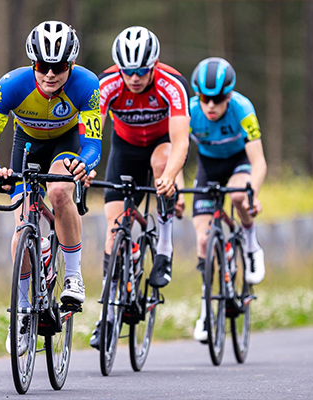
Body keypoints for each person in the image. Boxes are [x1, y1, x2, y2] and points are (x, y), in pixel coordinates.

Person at [0, 21, 102, 355]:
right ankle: (20, 314)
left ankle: (73, 276)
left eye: (58, 67)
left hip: (66, 143)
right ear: (33, 64)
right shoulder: (11, 86)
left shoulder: (87, 84)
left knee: (59, 191)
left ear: (70, 65)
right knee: (21, 227)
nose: (49, 75)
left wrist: (82, 165)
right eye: (42, 67)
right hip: (26, 145)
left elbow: (94, 146)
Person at [88, 26, 191, 349]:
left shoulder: (171, 84)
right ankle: (105, 317)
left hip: (162, 145)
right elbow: (92, 131)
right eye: (127, 71)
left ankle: (164, 247)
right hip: (125, 148)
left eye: (141, 71)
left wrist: (170, 176)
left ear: (154, 65)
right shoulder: (107, 83)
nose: (134, 77)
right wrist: (87, 166)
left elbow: (181, 141)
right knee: (113, 227)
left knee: (163, 166)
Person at [188, 57, 267, 342]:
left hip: (239, 163)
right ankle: (206, 311)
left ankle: (249, 243)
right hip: (208, 167)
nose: (210, 105)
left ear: (229, 95)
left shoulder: (243, 109)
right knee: (203, 239)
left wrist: (252, 194)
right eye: (205, 98)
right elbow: (176, 150)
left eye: (218, 99)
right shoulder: (190, 110)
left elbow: (259, 163)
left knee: (237, 196)